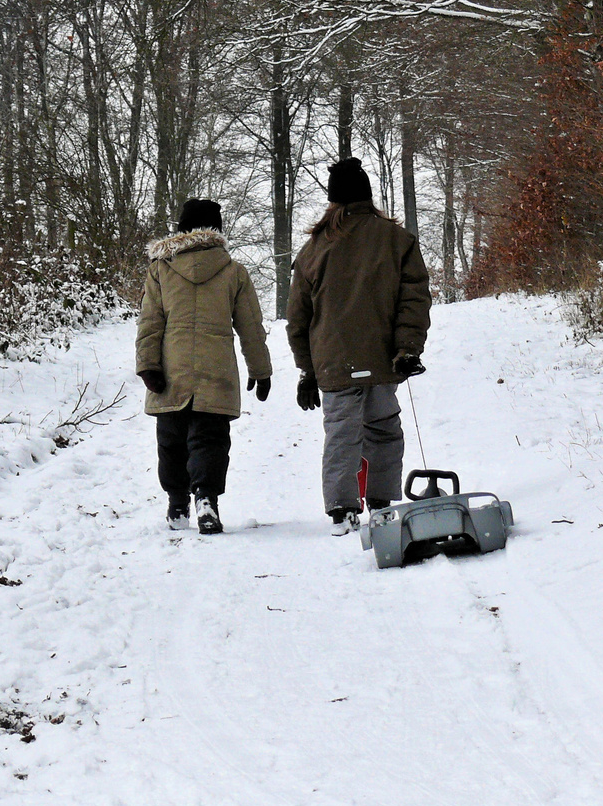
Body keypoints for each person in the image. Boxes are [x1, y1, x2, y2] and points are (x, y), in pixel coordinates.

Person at [287, 158, 432, 535]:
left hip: (333, 362)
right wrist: (408, 349)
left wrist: (307, 370)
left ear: (333, 201)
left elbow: (298, 318)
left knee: (341, 433)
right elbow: (414, 300)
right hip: (383, 359)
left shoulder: (314, 248)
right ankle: (381, 505)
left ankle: (342, 510)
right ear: (368, 195)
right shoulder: (396, 239)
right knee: (383, 430)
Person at [135, 198, 272, 535]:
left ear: (181, 230)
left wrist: (148, 365)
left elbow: (149, 323)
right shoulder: (233, 271)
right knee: (209, 438)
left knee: (171, 438)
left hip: (171, 370)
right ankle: (206, 499)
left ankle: (177, 502)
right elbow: (250, 327)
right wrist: (260, 370)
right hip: (216, 371)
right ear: (217, 231)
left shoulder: (160, 269)